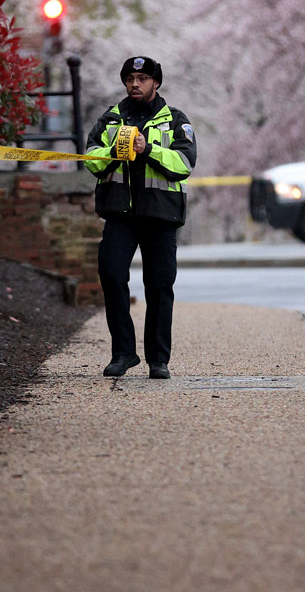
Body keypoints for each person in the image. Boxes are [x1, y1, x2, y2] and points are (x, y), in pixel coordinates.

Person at [84, 56, 197, 379]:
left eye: (143, 78)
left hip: (160, 216)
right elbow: (90, 159)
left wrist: (148, 149)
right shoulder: (110, 119)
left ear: (156, 83)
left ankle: (158, 359)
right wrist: (112, 153)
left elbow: (184, 163)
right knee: (111, 274)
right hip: (120, 214)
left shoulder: (175, 120)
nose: (136, 83)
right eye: (131, 77)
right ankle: (123, 353)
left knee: (159, 287)